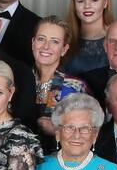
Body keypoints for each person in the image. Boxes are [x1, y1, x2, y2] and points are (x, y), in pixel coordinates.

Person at [29, 15, 88, 145]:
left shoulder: (75, 87)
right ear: (33, 43)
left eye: (55, 41)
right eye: (41, 39)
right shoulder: (19, 78)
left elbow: (88, 132)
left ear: (64, 49)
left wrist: (58, 130)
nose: (46, 46)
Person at [62, 0, 113, 76]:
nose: (87, 6)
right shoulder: (64, 37)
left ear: (105, 2)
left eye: (94, 0)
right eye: (81, 1)